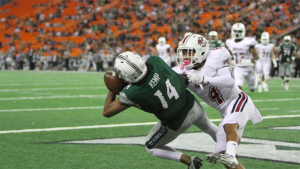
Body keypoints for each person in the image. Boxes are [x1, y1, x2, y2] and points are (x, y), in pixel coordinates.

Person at [103, 51, 218, 169]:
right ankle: (228, 151)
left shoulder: (132, 94)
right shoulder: (155, 61)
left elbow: (107, 112)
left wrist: (113, 88)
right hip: (191, 104)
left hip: (177, 122)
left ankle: (189, 161)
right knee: (209, 127)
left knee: (151, 146)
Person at [173, 33, 263, 169]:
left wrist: (204, 79)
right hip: (224, 111)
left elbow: (229, 81)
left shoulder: (215, 58)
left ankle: (231, 155)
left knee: (229, 126)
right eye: (183, 52)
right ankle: (229, 156)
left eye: (189, 52)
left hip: (238, 99)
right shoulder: (181, 71)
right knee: (221, 151)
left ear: (201, 51)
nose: (185, 56)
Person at [225, 22, 259, 91]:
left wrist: (249, 61)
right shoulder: (229, 42)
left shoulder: (248, 41)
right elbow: (228, 54)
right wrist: (229, 61)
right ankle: (239, 99)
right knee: (238, 86)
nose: (237, 33)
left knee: (252, 88)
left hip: (249, 67)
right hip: (238, 67)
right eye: (235, 31)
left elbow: (256, 56)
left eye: (239, 31)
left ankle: (255, 81)